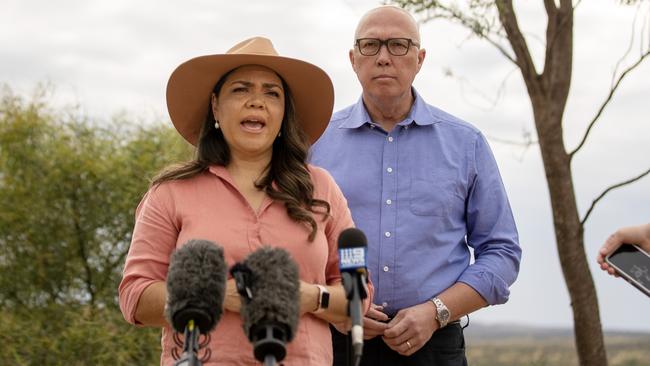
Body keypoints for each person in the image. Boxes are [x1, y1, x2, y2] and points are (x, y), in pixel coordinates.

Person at [118, 36, 372, 366]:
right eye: (241, 89)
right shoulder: (170, 192)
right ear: (215, 107)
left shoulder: (322, 188)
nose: (257, 102)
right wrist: (215, 296)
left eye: (272, 93)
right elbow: (134, 296)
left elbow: (360, 294)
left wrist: (310, 297)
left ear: (284, 113)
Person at [310, 5, 522, 366]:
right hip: (334, 342)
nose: (383, 58)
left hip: (436, 344)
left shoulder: (466, 144)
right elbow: (287, 241)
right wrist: (335, 307)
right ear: (352, 59)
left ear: (420, 58)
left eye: (398, 45)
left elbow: (501, 252)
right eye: (370, 46)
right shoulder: (314, 143)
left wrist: (436, 310)